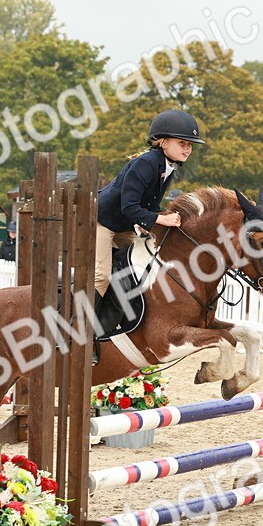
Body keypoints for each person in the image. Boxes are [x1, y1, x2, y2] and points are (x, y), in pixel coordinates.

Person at [94, 109, 204, 355]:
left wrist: (152, 220)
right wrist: (161, 219)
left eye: (190, 145)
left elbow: (149, 205)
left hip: (124, 224)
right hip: (102, 223)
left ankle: (126, 320)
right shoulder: (145, 163)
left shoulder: (167, 166)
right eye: (182, 143)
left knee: (146, 261)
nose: (188, 149)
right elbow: (130, 206)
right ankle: (87, 334)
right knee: (101, 276)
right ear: (163, 142)